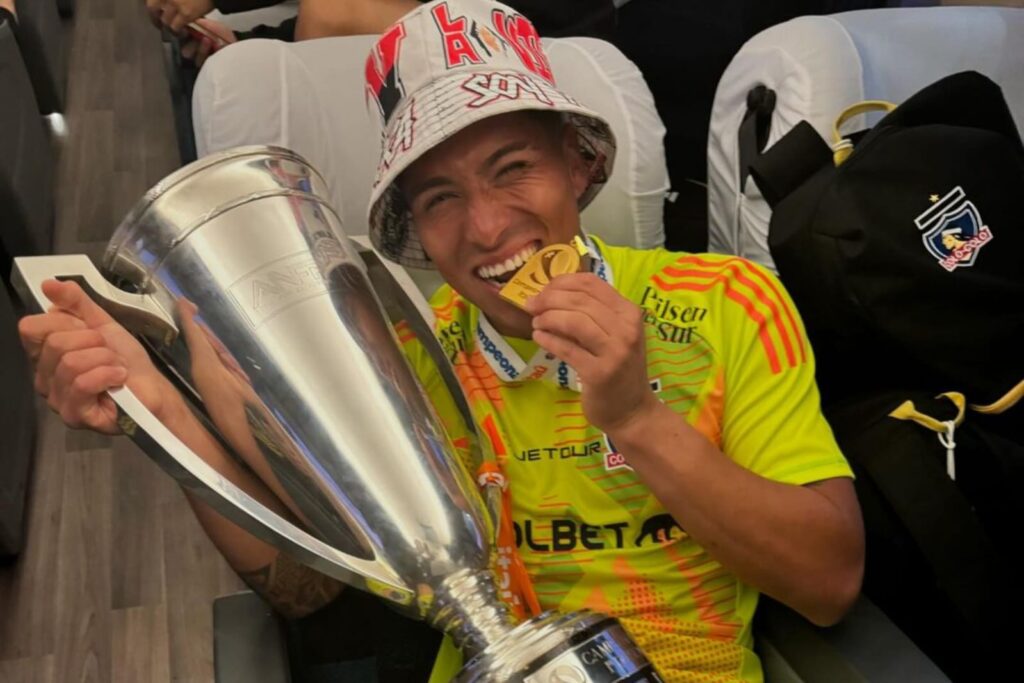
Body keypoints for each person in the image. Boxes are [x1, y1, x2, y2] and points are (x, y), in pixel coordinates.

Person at [19, 1, 863, 680]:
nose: (489, 227)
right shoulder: (406, 358)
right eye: (440, 199)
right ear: (414, 232)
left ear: (577, 162)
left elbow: (827, 584)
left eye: (512, 167)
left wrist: (638, 420)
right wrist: (156, 409)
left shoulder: (726, 301)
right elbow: (309, 588)